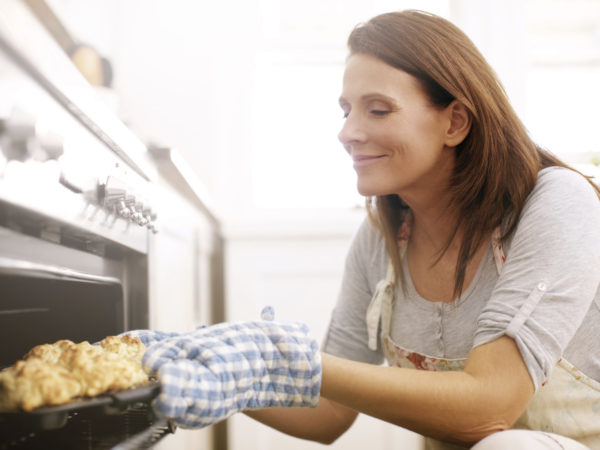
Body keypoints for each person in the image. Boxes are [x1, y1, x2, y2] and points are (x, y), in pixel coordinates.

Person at [136, 9, 600, 450]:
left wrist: (284, 360)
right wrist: (223, 373)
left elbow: (489, 404)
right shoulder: (381, 239)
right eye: (346, 110)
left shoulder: (555, 202)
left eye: (377, 110)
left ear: (455, 122)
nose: (348, 132)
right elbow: (329, 411)